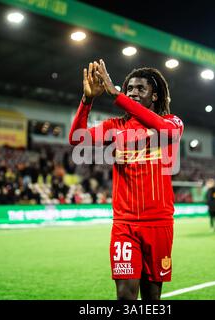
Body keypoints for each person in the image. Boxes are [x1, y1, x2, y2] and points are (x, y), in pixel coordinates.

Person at [69, 60, 183, 300]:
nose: (133, 92)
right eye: (129, 88)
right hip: (125, 225)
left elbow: (164, 128)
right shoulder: (115, 127)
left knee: (152, 298)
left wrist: (117, 94)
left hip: (159, 224)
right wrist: (87, 100)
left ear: (154, 95)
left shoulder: (172, 123)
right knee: (125, 296)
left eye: (141, 89)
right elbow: (77, 139)